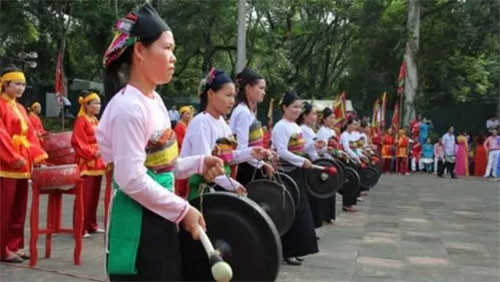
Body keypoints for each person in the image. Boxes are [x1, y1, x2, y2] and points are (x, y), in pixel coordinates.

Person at [98, 4, 225, 280]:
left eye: (173, 49)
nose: (173, 57)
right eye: (166, 48)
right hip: (138, 226)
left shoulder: (154, 100)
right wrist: (182, 209)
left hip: (160, 214)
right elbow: (131, 179)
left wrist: (200, 163)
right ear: (140, 51)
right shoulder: (128, 108)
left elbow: (163, 168)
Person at [181, 68, 268, 200]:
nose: (232, 101)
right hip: (203, 192)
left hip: (219, 187)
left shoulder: (221, 122)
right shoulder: (201, 122)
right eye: (228, 95)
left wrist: (251, 152)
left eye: (233, 96)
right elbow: (206, 166)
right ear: (210, 94)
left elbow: (228, 157)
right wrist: (232, 185)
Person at [0, 67, 47, 263]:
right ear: (5, 84)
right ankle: (2, 249)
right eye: (16, 84)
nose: (21, 88)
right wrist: (11, 156)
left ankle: (14, 245)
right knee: (4, 208)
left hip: (22, 163)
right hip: (5, 165)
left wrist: (38, 158)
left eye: (23, 84)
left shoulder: (20, 108)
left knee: (19, 207)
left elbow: (30, 136)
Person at [272, 90, 318, 266]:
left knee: (301, 213)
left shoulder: (295, 127)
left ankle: (297, 249)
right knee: (290, 213)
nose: (297, 110)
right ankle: (288, 251)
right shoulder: (280, 127)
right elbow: (282, 151)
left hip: (297, 172)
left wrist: (314, 144)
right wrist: (302, 161)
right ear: (284, 107)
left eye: (299, 107)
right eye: (294, 107)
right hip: (287, 173)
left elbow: (301, 147)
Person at [71, 90, 107, 237]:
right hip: (87, 161)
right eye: (95, 103)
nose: (98, 106)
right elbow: (77, 141)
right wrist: (91, 153)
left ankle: (91, 224)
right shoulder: (81, 120)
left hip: (97, 161)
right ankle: (80, 227)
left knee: (94, 195)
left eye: (99, 103)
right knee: (84, 196)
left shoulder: (95, 120)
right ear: (86, 105)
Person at [229, 67, 274, 186]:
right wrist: (263, 165)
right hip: (244, 169)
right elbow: (242, 150)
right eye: (261, 88)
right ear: (248, 88)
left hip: (250, 164)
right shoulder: (243, 113)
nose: (264, 92)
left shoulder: (250, 111)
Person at [299, 104, 335, 226]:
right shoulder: (302, 129)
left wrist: (324, 149)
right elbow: (305, 149)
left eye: (316, 114)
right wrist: (319, 162)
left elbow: (315, 149)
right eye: (313, 114)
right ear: (304, 116)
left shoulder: (310, 130)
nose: (315, 117)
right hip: (309, 163)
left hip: (314, 161)